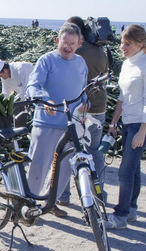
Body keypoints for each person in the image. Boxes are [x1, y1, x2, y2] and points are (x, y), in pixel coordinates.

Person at [25, 23, 89, 218]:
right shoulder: (46, 60)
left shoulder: (81, 63)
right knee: (39, 166)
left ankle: (50, 203)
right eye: (64, 43)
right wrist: (46, 100)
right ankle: (28, 204)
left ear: (79, 43)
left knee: (62, 170)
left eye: (72, 43)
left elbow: (83, 90)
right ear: (57, 41)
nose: (68, 47)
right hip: (46, 124)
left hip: (71, 125)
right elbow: (32, 86)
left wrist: (86, 103)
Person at [57, 16, 109, 207]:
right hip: (99, 107)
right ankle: (99, 193)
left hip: (79, 109)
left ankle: (63, 196)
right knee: (95, 152)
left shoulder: (77, 52)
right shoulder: (101, 51)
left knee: (69, 150)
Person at [104, 24, 146, 230]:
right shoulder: (127, 64)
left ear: (141, 44)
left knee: (125, 171)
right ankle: (131, 210)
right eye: (122, 42)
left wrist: (143, 131)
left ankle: (120, 216)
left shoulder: (144, 64)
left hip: (140, 123)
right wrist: (113, 121)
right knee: (134, 169)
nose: (122, 47)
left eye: (128, 43)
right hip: (127, 122)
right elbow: (121, 97)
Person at [0, 59, 34, 128]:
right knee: (16, 110)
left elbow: (28, 89)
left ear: (5, 70)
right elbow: (6, 93)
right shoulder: (5, 77)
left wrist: (15, 101)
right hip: (23, 96)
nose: (1, 78)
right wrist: (0, 106)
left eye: (0, 76)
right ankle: (20, 134)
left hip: (39, 95)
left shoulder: (22, 69)